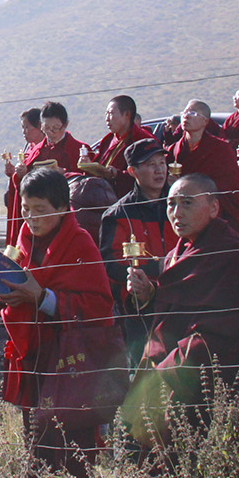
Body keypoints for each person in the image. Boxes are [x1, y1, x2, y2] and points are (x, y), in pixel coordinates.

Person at [0, 167, 114, 475]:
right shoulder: (21, 240)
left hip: (68, 360)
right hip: (32, 357)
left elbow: (100, 306)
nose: (31, 218)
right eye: (25, 209)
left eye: (40, 210)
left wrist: (44, 297)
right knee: (35, 439)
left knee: (71, 444)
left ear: (63, 208)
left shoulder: (79, 243)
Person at [124, 173, 239, 411]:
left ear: (214, 208)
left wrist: (174, 366)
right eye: (171, 204)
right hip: (173, 367)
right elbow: (171, 314)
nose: (177, 212)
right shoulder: (174, 256)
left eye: (187, 203)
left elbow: (234, 328)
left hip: (212, 376)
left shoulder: (236, 255)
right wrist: (149, 294)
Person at [98, 138, 176, 367]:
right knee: (144, 370)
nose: (159, 169)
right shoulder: (117, 215)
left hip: (181, 297)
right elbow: (109, 264)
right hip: (139, 306)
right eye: (151, 164)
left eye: (162, 162)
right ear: (133, 171)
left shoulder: (179, 204)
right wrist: (153, 269)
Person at [5, 101, 84, 247]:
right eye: (46, 128)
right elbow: (20, 185)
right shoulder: (37, 151)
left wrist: (64, 174)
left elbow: (85, 183)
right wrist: (22, 174)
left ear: (65, 124)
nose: (51, 133)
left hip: (59, 215)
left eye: (56, 128)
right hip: (34, 216)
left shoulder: (77, 149)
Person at [167, 100, 239, 233]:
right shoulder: (173, 150)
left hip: (214, 212)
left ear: (205, 121)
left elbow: (230, 184)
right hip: (181, 213)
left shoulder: (220, 148)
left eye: (192, 113)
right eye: (184, 112)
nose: (186, 116)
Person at [88, 95, 154, 198]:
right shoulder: (108, 139)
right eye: (106, 114)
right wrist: (88, 165)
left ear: (127, 115)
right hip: (101, 196)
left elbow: (147, 176)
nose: (107, 119)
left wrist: (117, 175)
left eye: (111, 113)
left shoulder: (143, 140)